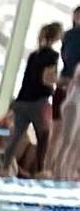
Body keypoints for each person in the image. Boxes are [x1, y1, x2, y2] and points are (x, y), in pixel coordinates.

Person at [7, 21, 62, 179]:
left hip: (23, 100)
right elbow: (47, 78)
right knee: (43, 136)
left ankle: (5, 166)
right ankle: (39, 170)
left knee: (16, 136)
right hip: (39, 101)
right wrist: (60, 82)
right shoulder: (52, 55)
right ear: (56, 36)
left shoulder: (34, 55)